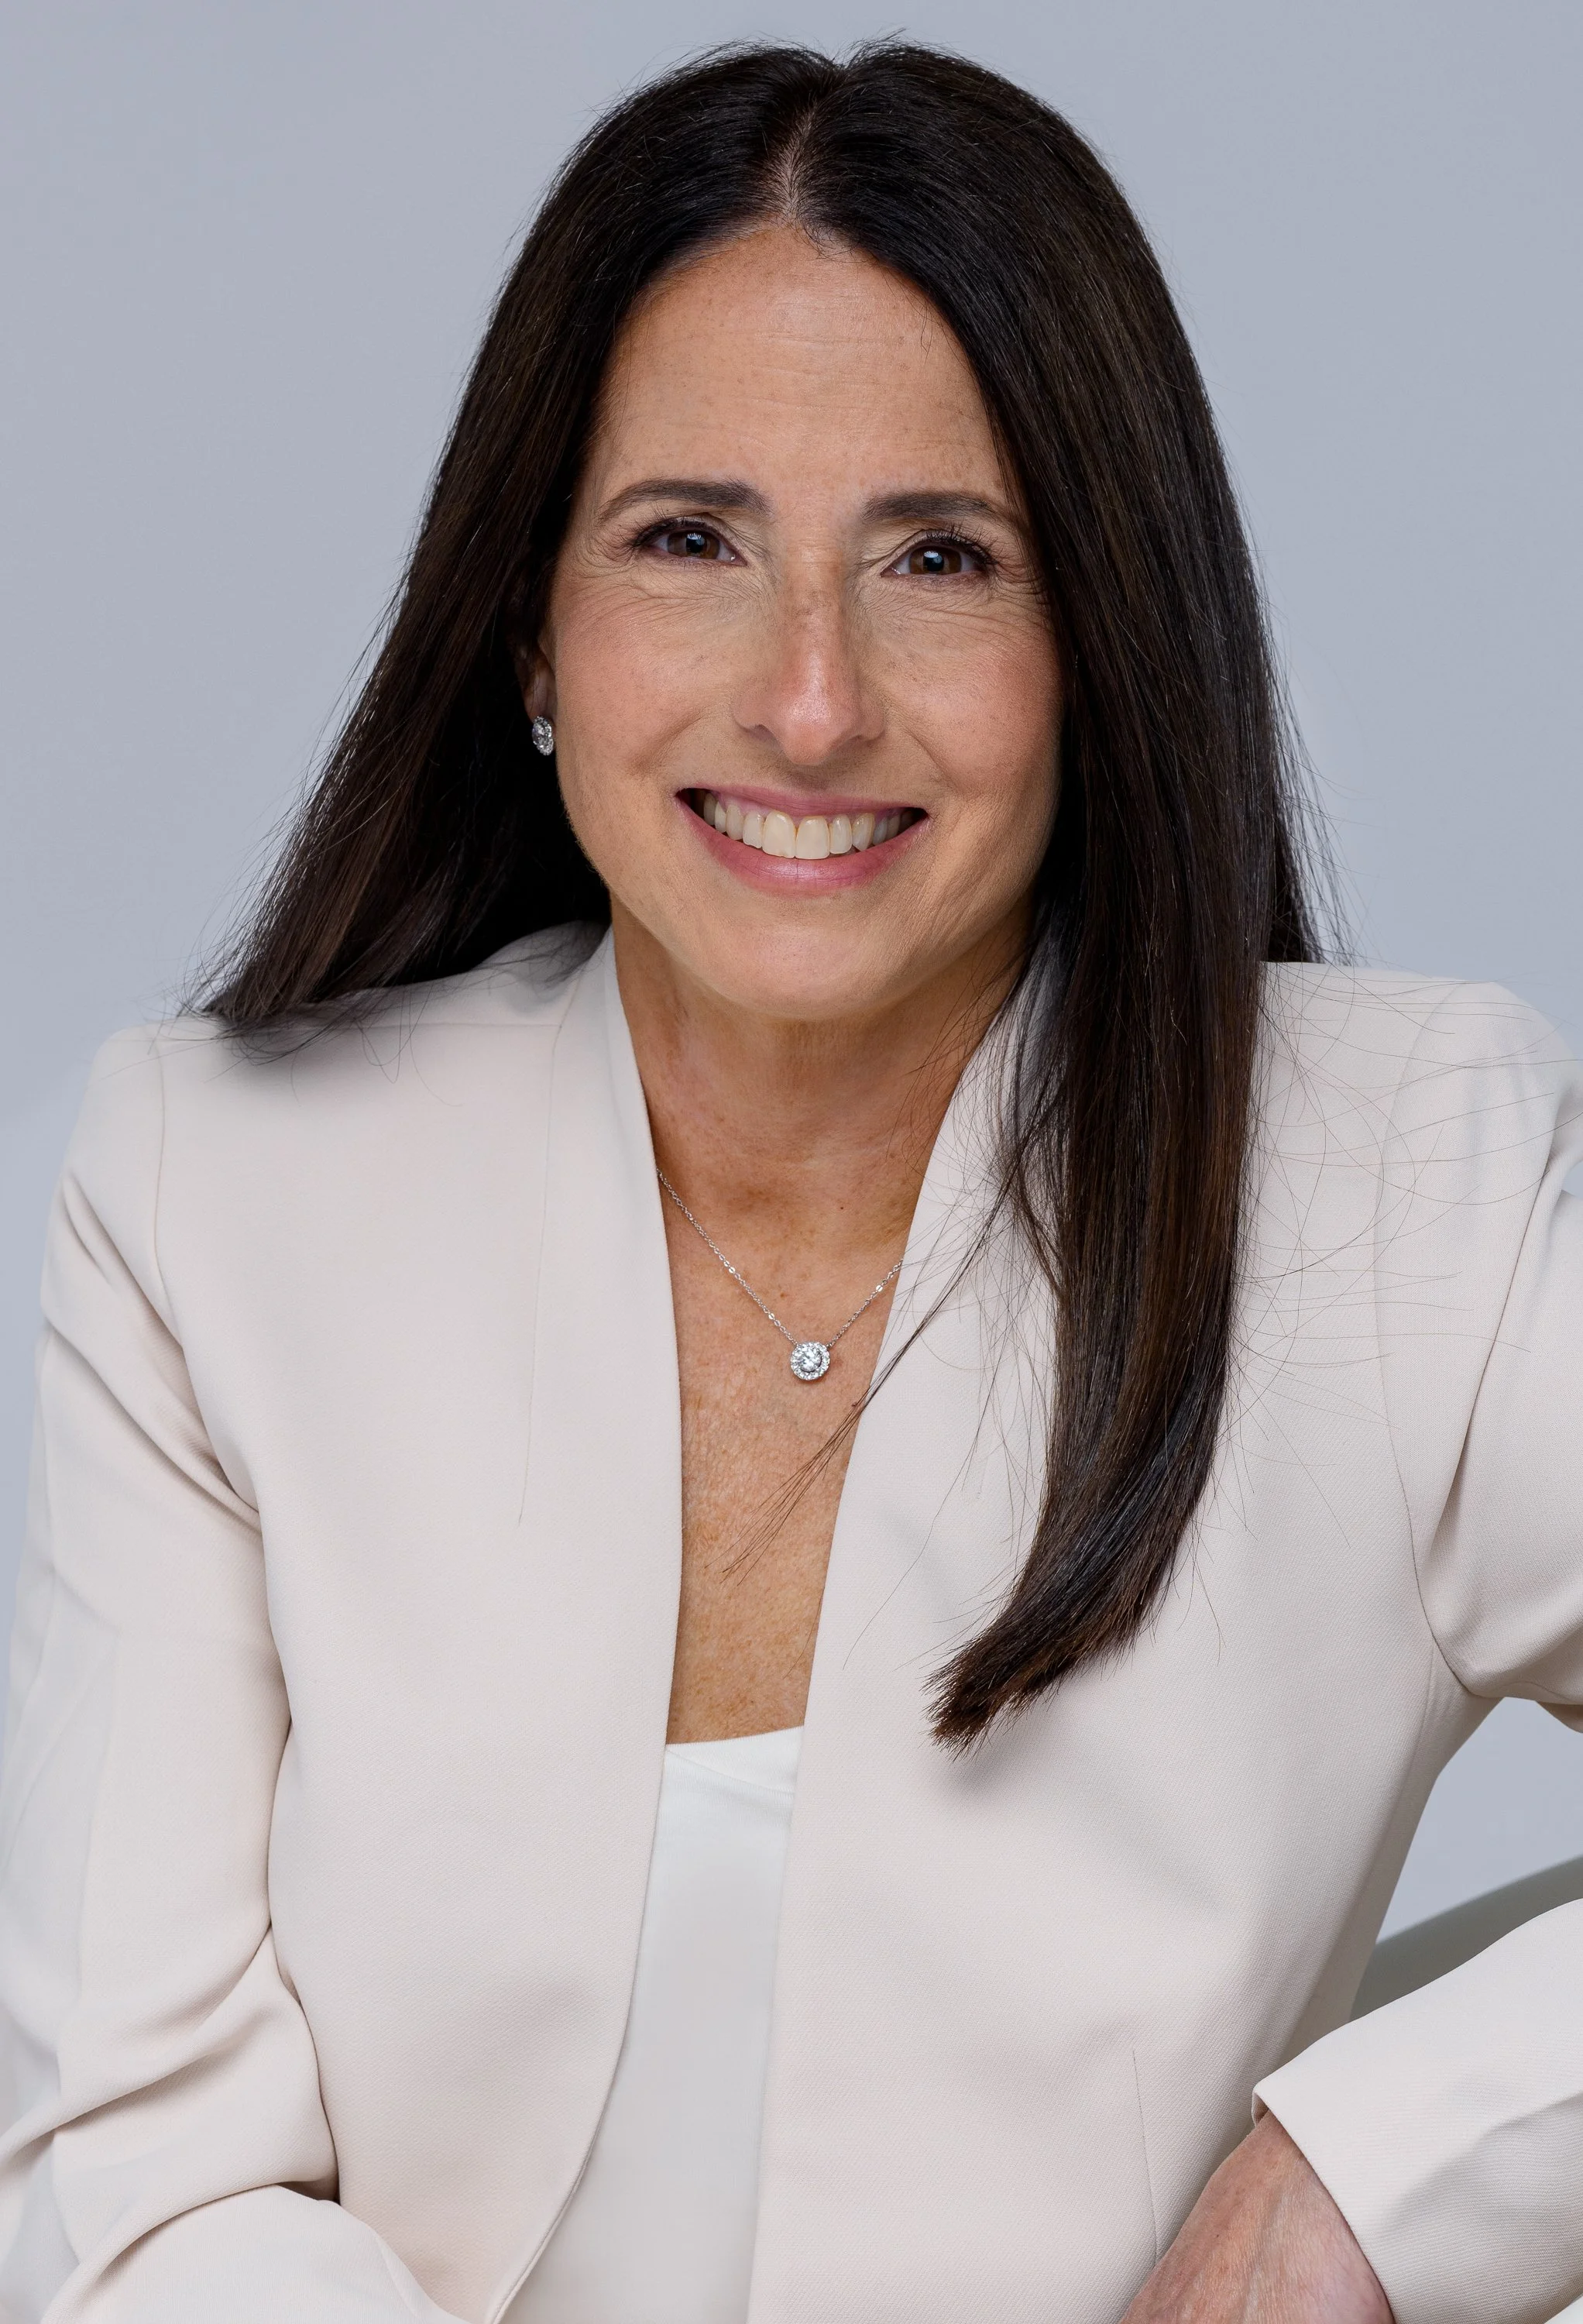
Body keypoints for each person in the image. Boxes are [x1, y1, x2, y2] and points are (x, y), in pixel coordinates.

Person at [1, 38, 1579, 2324]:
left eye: (940, 557)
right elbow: (142, 2200)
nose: (811, 702)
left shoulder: (1381, 1186)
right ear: (531, 631)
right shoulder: (221, 1190)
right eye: (688, 542)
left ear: (1101, 644)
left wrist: (1345, 2192)